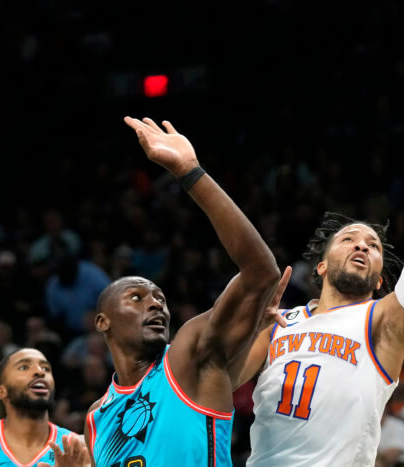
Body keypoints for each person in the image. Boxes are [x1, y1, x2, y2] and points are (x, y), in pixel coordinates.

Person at [240, 97, 404, 465]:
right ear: (320, 268)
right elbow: (222, 379)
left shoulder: (382, 323)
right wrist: (245, 332)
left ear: (378, 282)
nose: (361, 244)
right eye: (348, 239)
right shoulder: (277, 322)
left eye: (372, 245)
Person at [83, 117, 283, 466]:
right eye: (137, 298)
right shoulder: (95, 416)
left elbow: (261, 273)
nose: (156, 304)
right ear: (103, 321)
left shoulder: (188, 357)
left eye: (160, 298)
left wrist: (190, 172)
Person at [0, 348, 89, 467]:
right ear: (1, 391)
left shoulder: (79, 449)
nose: (39, 372)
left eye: (46, 369)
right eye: (24, 367)